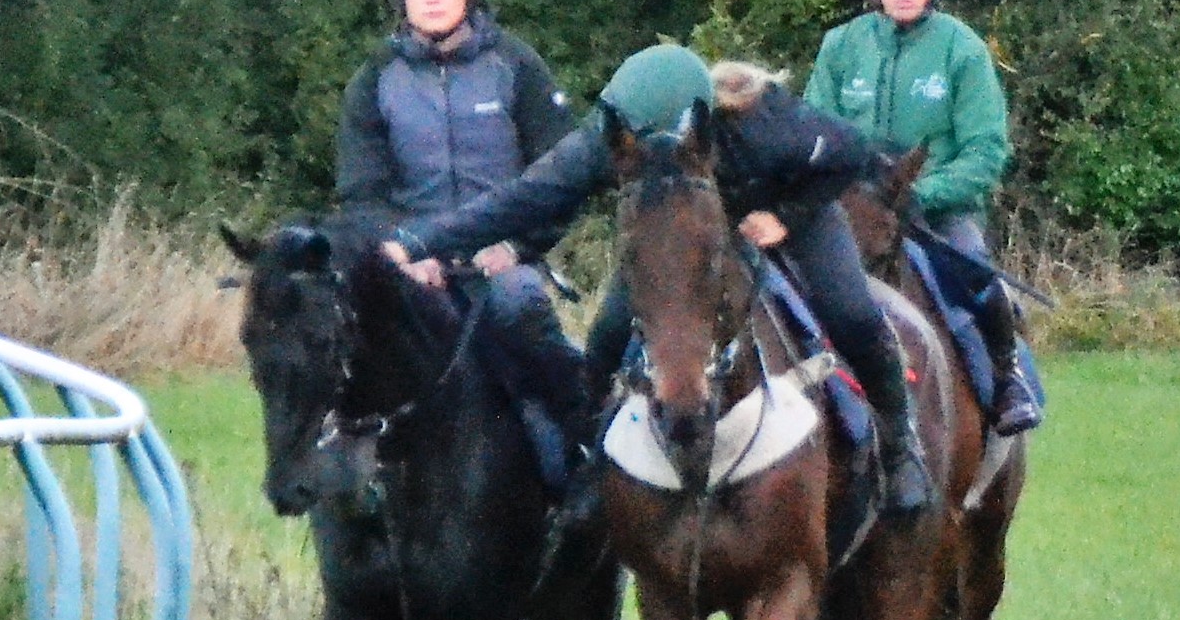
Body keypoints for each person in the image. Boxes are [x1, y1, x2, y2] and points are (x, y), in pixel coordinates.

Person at [385, 42, 934, 517]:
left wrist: (786, 216)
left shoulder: (763, 127)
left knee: (852, 314)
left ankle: (901, 446)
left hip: (787, 209)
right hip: (679, 232)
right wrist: (416, 243)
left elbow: (851, 155)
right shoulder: (608, 140)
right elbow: (521, 200)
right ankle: (590, 468)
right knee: (605, 336)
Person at [334, 0, 585, 421]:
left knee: (534, 331)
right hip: (413, 273)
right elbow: (361, 196)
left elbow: (563, 173)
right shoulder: (373, 80)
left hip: (502, 273)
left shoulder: (518, 66)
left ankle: (579, 470)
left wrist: (517, 245)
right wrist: (407, 253)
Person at [803, 0, 1044, 434]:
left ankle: (1006, 381)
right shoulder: (840, 47)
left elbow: (985, 151)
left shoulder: (963, 50)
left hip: (937, 213)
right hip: (852, 214)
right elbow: (815, 136)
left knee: (977, 271)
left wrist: (922, 196)